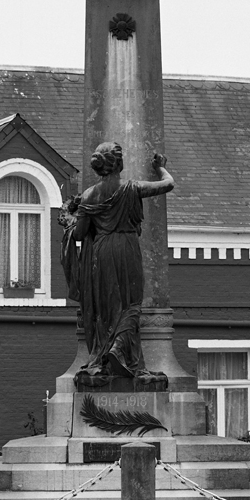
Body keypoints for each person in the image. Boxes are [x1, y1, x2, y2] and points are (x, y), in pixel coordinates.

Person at [60, 141, 174, 380]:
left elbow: (79, 234)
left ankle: (106, 351)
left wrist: (70, 219)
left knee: (106, 305)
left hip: (101, 253)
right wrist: (160, 167)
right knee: (132, 303)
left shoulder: (89, 196)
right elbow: (168, 184)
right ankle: (118, 348)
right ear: (119, 164)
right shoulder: (132, 188)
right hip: (127, 247)